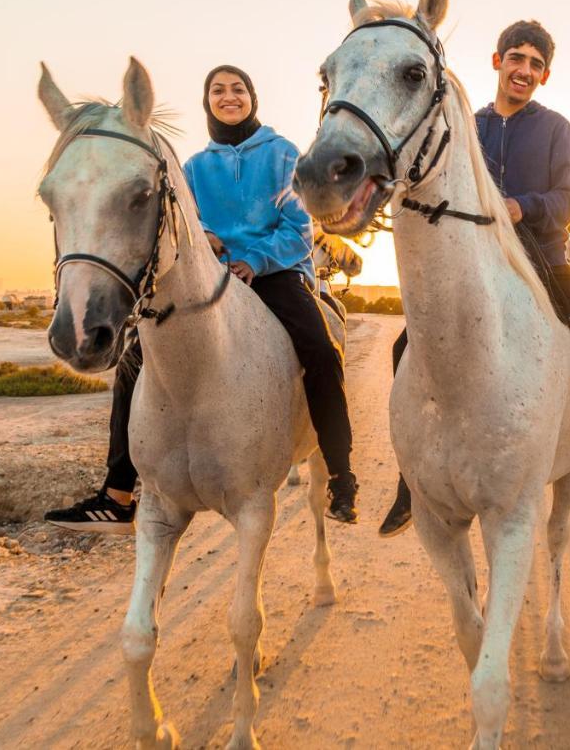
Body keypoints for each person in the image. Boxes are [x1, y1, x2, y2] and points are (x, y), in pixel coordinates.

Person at [378, 21, 570, 539]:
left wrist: (521, 207)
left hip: (543, 259)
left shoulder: (556, 128)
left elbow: (568, 199)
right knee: (405, 347)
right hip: (473, 263)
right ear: (497, 61)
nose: (524, 70)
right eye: (517, 58)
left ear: (545, 75)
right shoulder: (468, 122)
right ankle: (409, 481)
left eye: (535, 64)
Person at [45, 65, 359, 533]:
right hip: (210, 278)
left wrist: (253, 260)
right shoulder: (192, 167)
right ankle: (117, 493)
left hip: (274, 274)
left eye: (237, 89)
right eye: (218, 90)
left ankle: (339, 471)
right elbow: (182, 226)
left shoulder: (283, 155)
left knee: (319, 346)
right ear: (207, 101)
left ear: (252, 98)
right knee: (136, 358)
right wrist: (207, 238)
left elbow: (299, 231)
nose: (228, 96)